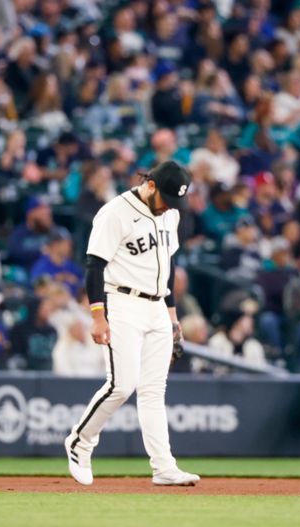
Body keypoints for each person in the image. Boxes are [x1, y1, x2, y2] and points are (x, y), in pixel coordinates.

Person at [65, 161, 199, 487]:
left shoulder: (170, 213)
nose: (170, 204)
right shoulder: (114, 212)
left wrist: (172, 317)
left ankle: (163, 466)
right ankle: (80, 441)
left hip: (156, 305)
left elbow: (166, 264)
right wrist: (98, 316)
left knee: (154, 391)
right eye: (166, 196)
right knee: (121, 385)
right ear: (150, 185)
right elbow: (94, 266)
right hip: (121, 301)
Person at [30, 228, 83, 297]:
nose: (70, 247)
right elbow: (36, 288)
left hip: (73, 304)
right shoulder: (42, 265)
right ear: (55, 245)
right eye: (66, 243)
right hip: (51, 304)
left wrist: (75, 282)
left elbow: (83, 285)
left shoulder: (72, 267)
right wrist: (55, 279)